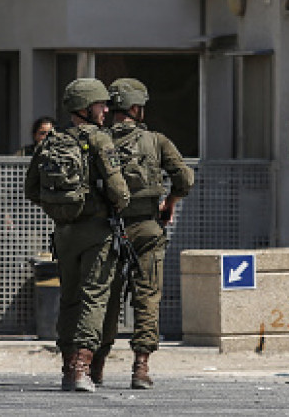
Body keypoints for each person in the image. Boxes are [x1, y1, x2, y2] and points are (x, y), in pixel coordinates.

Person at [23, 78, 129, 392]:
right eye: (101, 104)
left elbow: (31, 190)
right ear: (86, 107)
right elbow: (120, 192)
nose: (106, 110)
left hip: (64, 233)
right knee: (94, 298)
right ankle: (83, 368)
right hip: (96, 231)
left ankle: (69, 368)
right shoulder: (100, 139)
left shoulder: (51, 141)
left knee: (68, 298)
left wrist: (61, 210)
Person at [91, 77, 194, 390]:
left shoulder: (98, 139)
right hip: (147, 227)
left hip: (107, 228)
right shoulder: (156, 141)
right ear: (136, 108)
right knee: (147, 296)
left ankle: (96, 365)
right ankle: (141, 366)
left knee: (105, 297)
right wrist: (170, 202)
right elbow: (185, 179)